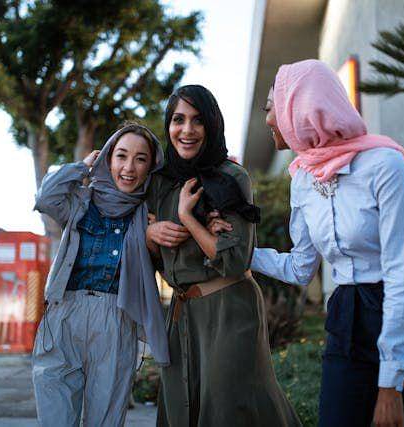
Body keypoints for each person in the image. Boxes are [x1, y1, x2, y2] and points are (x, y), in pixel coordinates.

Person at [248, 59, 404, 426]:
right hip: (346, 315)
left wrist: (391, 384)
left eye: (270, 107)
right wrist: (239, 253)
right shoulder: (303, 178)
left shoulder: (384, 165)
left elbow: (400, 274)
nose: (267, 119)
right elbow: (301, 268)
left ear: (300, 106)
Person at [146, 84, 301, 426]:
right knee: (182, 409)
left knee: (230, 409)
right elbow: (150, 258)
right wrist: (149, 234)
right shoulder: (160, 184)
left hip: (229, 309)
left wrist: (188, 218)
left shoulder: (232, 178)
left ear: (212, 124)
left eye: (198, 120)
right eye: (178, 120)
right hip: (182, 315)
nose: (187, 130)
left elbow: (234, 260)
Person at [31, 123, 169, 427]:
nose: (129, 167)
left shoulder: (148, 215)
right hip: (64, 314)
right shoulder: (81, 201)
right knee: (55, 418)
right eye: (121, 156)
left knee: (105, 419)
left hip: (115, 318)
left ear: (150, 168)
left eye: (140, 159)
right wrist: (81, 167)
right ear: (108, 158)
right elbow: (45, 198)